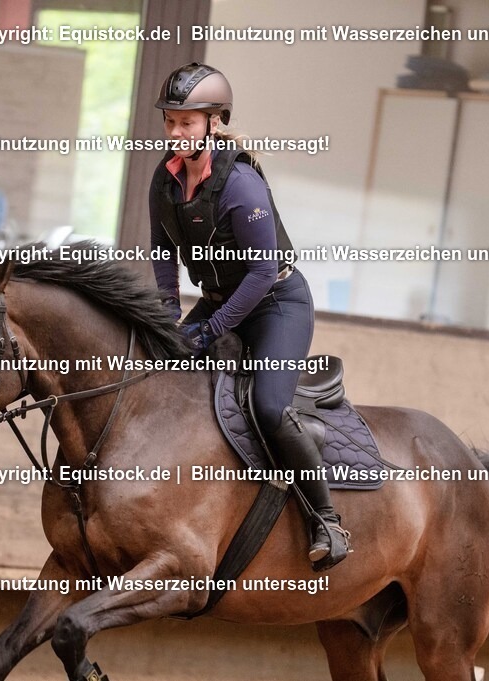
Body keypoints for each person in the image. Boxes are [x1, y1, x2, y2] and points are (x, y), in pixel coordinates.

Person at [149, 62, 350, 571]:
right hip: (217, 304)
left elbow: (262, 272)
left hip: (275, 303)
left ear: (213, 122)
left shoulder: (240, 185)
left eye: (187, 123)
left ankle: (327, 519)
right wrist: (169, 322)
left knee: (266, 404)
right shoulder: (164, 180)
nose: (176, 133)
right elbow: (161, 255)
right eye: (170, 122)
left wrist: (211, 330)